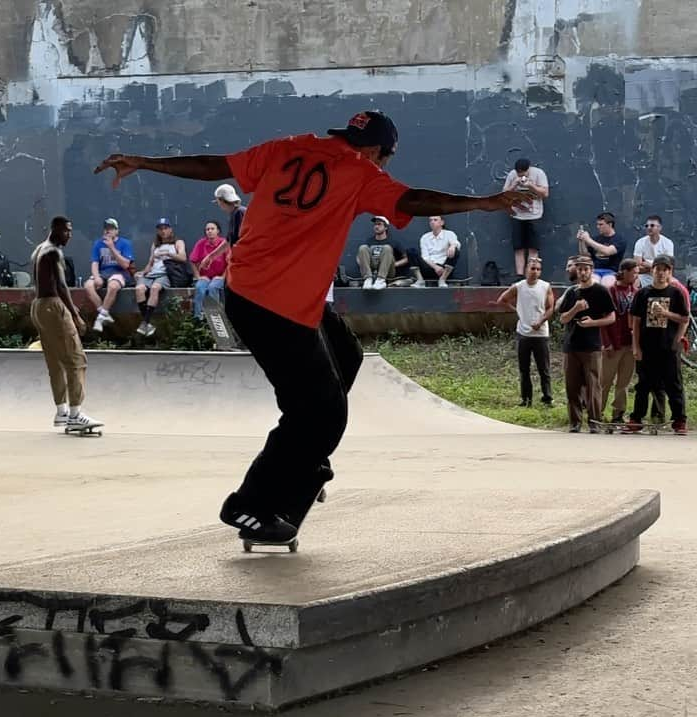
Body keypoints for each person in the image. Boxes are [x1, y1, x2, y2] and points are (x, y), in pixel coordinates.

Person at [96, 109, 533, 544]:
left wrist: (145, 161)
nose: (384, 168)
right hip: (274, 307)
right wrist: (483, 202)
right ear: (378, 151)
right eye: (386, 160)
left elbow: (215, 165)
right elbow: (413, 200)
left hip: (253, 290)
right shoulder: (360, 171)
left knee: (347, 354)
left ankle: (302, 459)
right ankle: (249, 505)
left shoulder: (287, 147)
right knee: (322, 413)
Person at [30, 216, 102, 431]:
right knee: (76, 359)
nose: (69, 235)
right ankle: (75, 414)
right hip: (53, 305)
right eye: (66, 231)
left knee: (55, 361)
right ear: (55, 230)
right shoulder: (53, 251)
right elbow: (61, 285)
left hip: (39, 306)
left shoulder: (39, 249)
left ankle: (61, 412)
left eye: (70, 231)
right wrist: (74, 313)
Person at [627, 255, 688, 434]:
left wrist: (676, 335)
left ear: (669, 272)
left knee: (673, 384)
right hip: (647, 347)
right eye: (658, 269)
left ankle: (679, 420)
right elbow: (636, 322)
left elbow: (683, 318)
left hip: (668, 347)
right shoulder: (643, 294)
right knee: (643, 385)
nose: (661, 273)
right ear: (652, 270)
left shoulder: (676, 293)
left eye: (665, 270)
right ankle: (636, 418)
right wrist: (636, 347)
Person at [559, 256, 615, 432]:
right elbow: (562, 318)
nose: (583, 272)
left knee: (593, 386)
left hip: (591, 346)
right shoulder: (571, 292)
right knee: (572, 386)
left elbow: (611, 317)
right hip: (571, 345)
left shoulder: (601, 291)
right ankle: (575, 423)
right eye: (580, 269)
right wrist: (575, 308)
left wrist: (592, 323)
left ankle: (594, 422)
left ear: (591, 270)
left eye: (586, 269)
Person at [495, 256, 554, 407]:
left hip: (540, 334)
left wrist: (541, 321)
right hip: (524, 333)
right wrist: (518, 312)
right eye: (532, 268)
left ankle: (548, 398)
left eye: (538, 269)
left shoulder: (545, 286)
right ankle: (526, 400)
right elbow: (502, 300)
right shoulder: (519, 286)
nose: (535, 272)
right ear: (526, 269)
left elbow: (550, 308)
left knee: (544, 369)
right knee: (524, 369)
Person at [601, 258, 639, 424]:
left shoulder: (636, 292)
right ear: (624, 271)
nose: (636, 275)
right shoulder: (611, 291)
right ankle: (597, 411)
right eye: (633, 272)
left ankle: (618, 414)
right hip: (614, 343)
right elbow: (603, 318)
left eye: (637, 272)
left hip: (630, 343)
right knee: (605, 381)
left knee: (623, 382)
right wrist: (606, 342)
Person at [134, 218, 187, 336]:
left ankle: (145, 322)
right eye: (160, 229)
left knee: (154, 288)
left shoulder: (178, 242)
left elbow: (183, 258)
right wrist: (142, 272)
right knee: (139, 289)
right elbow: (150, 263)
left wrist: (169, 254)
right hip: (152, 273)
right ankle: (146, 323)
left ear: (170, 229)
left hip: (164, 274)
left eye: (165, 228)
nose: (163, 231)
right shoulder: (155, 245)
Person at [502, 157, 549, 278]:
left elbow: (545, 194)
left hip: (535, 215)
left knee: (533, 247)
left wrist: (531, 186)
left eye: (523, 173)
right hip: (517, 215)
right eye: (519, 173)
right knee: (518, 247)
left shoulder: (539, 173)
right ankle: (519, 275)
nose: (520, 175)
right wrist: (514, 185)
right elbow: (504, 194)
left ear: (529, 169)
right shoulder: (512, 175)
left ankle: (532, 273)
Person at [86, 218, 135, 333]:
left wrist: (112, 247)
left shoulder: (125, 243)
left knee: (113, 286)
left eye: (111, 229)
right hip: (103, 273)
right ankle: (103, 313)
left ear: (117, 231)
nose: (108, 231)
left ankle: (100, 318)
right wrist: (96, 276)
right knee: (88, 285)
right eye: (106, 229)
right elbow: (95, 263)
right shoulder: (98, 243)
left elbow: (125, 265)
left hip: (120, 273)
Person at [189, 220, 229, 319]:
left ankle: (215, 317)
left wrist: (221, 277)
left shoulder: (224, 243)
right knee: (199, 287)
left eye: (212, 229)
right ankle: (199, 317)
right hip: (205, 277)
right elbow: (192, 261)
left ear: (218, 231)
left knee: (213, 287)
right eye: (207, 229)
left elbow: (230, 263)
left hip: (220, 277)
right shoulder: (201, 243)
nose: (209, 231)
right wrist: (198, 277)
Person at [356, 215, 408, 290]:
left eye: (379, 224)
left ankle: (381, 280)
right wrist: (365, 266)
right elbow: (358, 257)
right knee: (362, 247)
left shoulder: (393, 242)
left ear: (386, 227)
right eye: (375, 224)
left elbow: (406, 258)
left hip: (388, 271)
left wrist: (395, 264)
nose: (376, 226)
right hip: (372, 269)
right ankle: (368, 279)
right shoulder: (369, 241)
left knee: (387, 248)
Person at [576, 213, 626, 288]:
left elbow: (608, 251)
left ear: (610, 225)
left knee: (607, 285)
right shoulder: (596, 239)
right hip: (595, 270)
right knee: (593, 285)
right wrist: (581, 241)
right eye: (597, 224)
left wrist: (588, 240)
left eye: (601, 224)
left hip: (611, 271)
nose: (598, 227)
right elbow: (585, 255)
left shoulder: (619, 239)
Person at [411, 215, 461, 287]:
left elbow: (456, 243)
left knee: (456, 250)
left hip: (444, 269)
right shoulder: (425, 237)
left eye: (435, 220)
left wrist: (452, 246)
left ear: (442, 222)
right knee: (411, 251)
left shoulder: (449, 234)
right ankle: (420, 280)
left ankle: (442, 280)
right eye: (430, 220)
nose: (432, 222)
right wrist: (435, 267)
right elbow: (425, 257)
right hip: (429, 267)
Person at [633, 215, 674, 287]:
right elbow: (637, 267)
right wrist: (657, 266)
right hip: (643, 277)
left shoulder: (668, 243)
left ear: (660, 228)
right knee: (634, 283)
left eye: (652, 225)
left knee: (675, 285)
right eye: (646, 226)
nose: (649, 228)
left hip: (662, 276)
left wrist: (650, 265)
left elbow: (668, 266)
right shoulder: (640, 242)